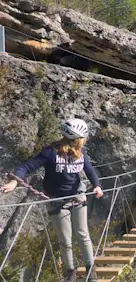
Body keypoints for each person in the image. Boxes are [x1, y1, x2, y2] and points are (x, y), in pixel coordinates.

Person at [0, 118, 104, 282]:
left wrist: (97, 185)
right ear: (77, 138)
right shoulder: (51, 152)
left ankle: (91, 273)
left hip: (77, 196)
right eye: (83, 138)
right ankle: (70, 273)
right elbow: (27, 167)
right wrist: (14, 181)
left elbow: (89, 170)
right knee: (65, 239)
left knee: (83, 234)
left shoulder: (81, 153)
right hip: (57, 200)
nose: (84, 141)